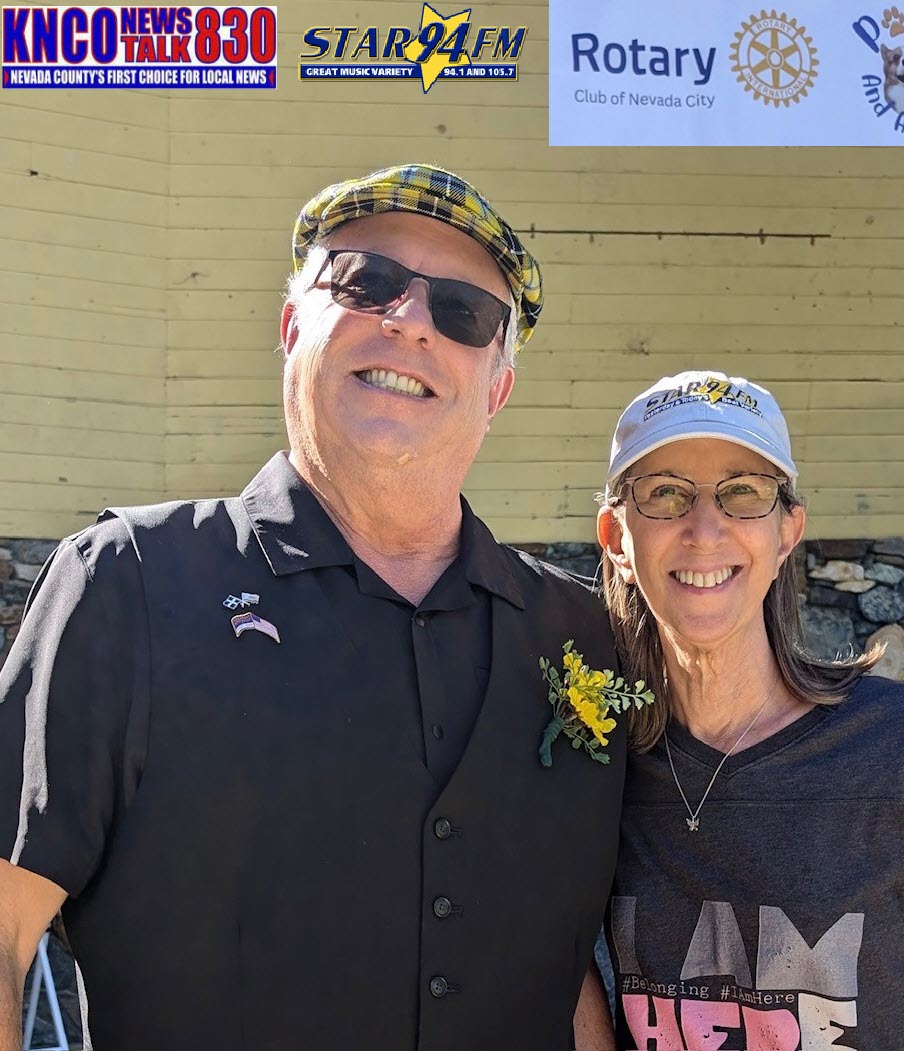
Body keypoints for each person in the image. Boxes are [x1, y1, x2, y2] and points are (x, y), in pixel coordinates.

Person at [0, 164, 627, 1051]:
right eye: (366, 282)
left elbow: (564, 976)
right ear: (292, 327)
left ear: (496, 389)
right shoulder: (128, 583)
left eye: (462, 312)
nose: (409, 320)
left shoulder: (578, 633)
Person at [575, 370, 904, 1050]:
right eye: (664, 492)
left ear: (788, 531)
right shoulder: (593, 761)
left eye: (742, 492)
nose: (704, 529)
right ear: (615, 536)